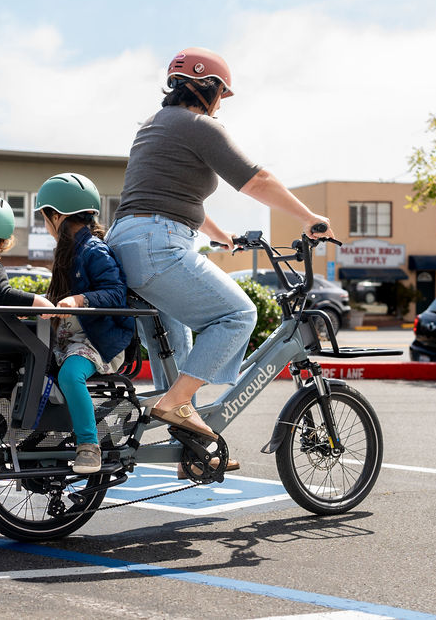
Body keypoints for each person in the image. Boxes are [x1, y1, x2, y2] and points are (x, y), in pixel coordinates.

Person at [106, 47, 336, 448]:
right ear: (209, 88)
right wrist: (307, 217)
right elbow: (256, 180)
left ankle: (187, 445)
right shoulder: (200, 126)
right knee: (237, 314)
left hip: (126, 243)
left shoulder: (154, 125)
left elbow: (168, 195)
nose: (220, 106)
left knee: (178, 352)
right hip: (157, 246)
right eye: (221, 95)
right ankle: (176, 403)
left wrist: (216, 232)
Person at [33, 173, 135, 474]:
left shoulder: (94, 250)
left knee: (69, 376)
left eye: (45, 217)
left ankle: (89, 446)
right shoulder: (69, 250)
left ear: (57, 216)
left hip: (98, 342)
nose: (45, 224)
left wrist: (78, 300)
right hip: (72, 339)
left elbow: (116, 293)